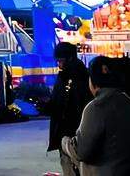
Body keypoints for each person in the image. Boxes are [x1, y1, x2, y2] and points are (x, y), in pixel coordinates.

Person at [61, 56, 130, 176]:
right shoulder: (128, 102)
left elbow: (81, 151)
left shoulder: (96, 107)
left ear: (93, 82)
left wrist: (65, 142)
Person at [47, 42, 93, 175]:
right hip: (66, 134)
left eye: (60, 61)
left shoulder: (79, 78)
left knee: (74, 168)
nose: (59, 64)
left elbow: (76, 106)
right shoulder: (65, 76)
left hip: (73, 135)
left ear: (70, 59)